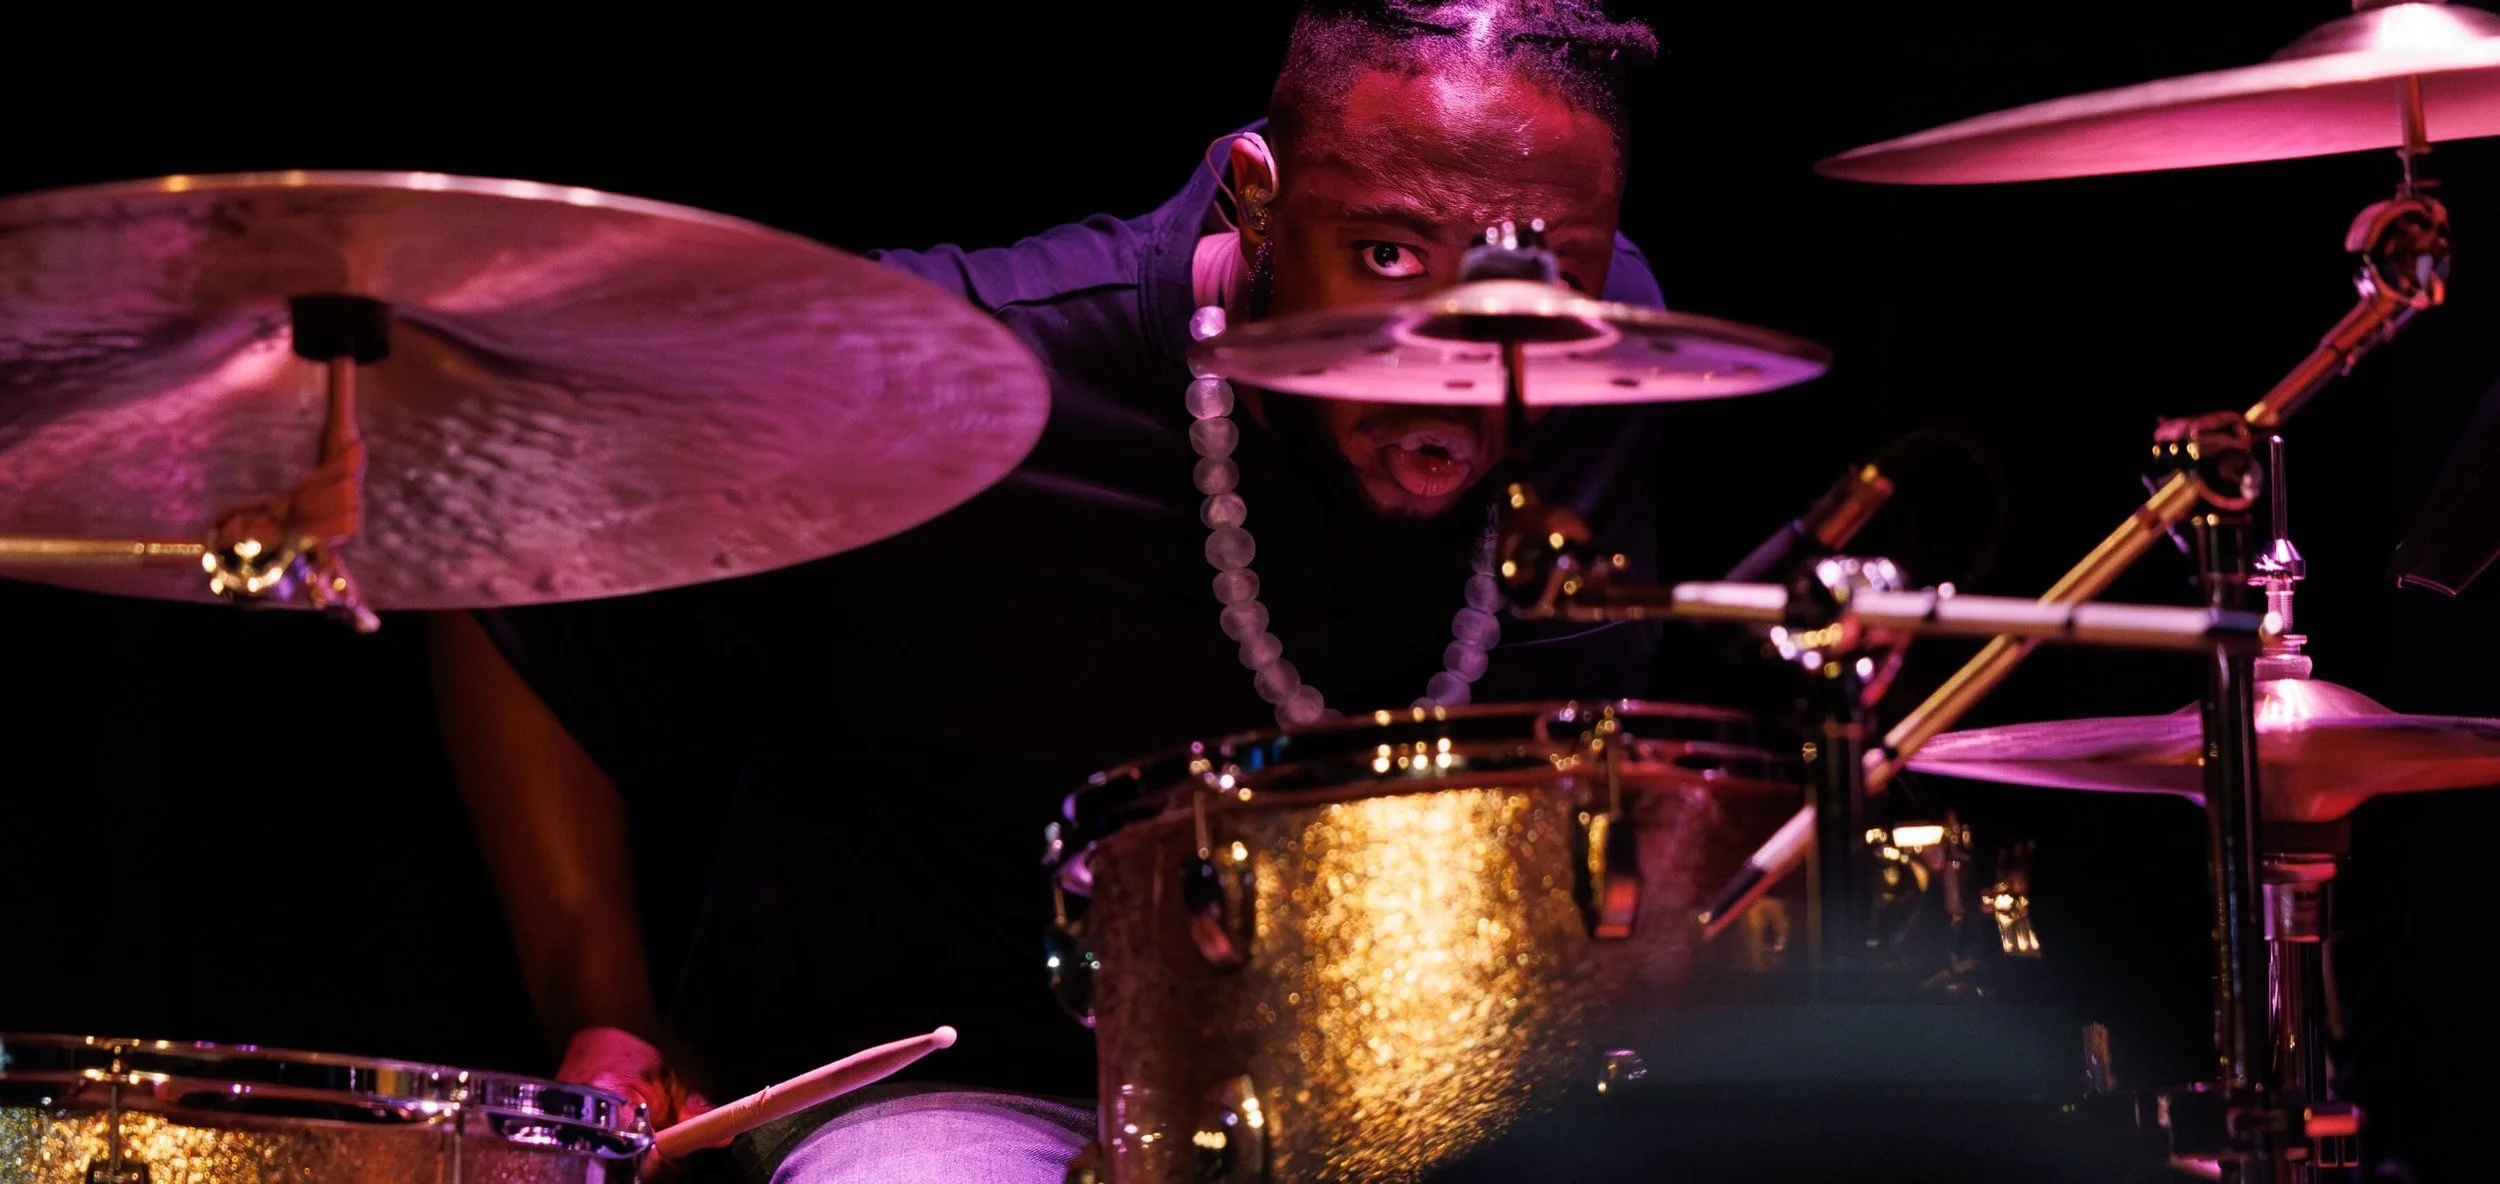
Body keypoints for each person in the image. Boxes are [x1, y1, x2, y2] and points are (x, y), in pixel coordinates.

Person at [427, 2, 1685, 1179]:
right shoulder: (965, 369)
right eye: (1388, 255)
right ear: (1255, 200)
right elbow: (505, 543)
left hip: (1379, 1086)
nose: (1459, 349)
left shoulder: (1599, 344)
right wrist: (602, 1007)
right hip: (955, 1080)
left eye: (1538, 271)